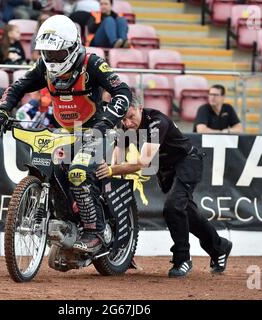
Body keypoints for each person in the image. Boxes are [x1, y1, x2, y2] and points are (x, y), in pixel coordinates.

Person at [0, 14, 132, 253]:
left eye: (57, 54)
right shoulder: (44, 66)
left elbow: (123, 92)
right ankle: (68, 224)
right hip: (64, 132)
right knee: (53, 173)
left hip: (97, 132)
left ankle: (96, 231)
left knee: (78, 173)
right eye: (48, 53)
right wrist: (2, 111)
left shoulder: (92, 63)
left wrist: (106, 122)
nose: (52, 59)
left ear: (73, 47)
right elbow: (18, 86)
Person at [95, 96, 233, 278]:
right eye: (123, 119)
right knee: (187, 213)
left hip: (187, 162)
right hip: (167, 171)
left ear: (140, 108)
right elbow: (118, 154)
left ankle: (182, 259)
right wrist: (113, 174)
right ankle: (220, 247)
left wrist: (111, 170)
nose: (127, 123)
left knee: (173, 207)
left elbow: (143, 162)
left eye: (130, 116)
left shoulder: (157, 122)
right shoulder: (126, 126)